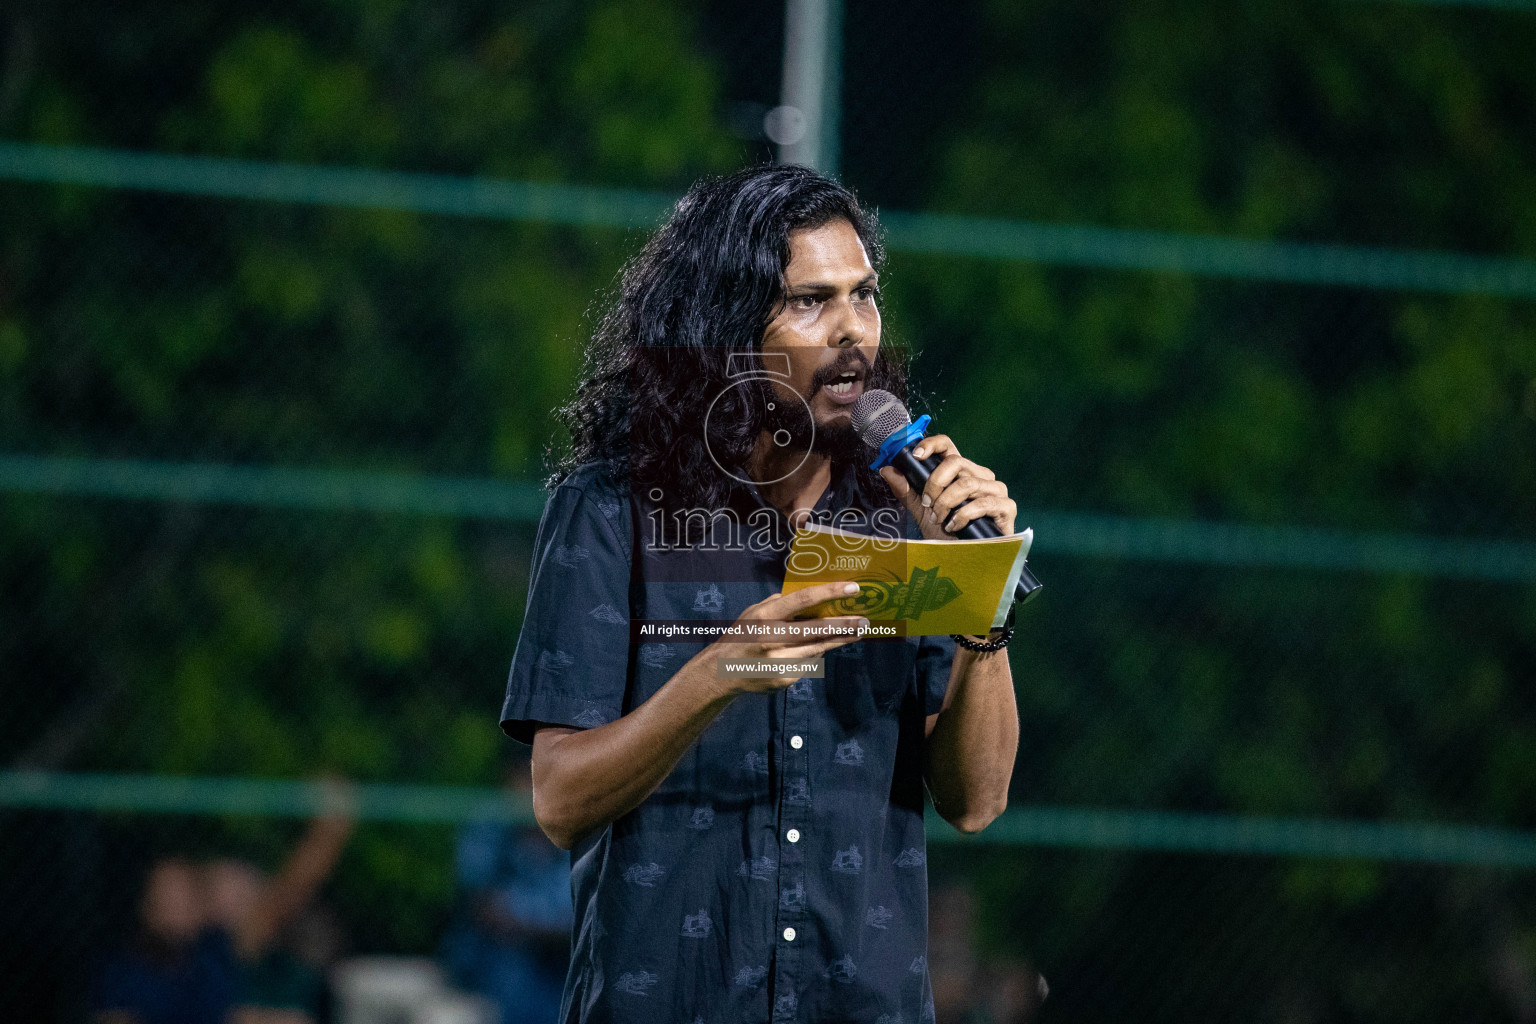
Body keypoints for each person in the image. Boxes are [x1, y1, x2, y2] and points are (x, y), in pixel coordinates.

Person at [499, 164, 1021, 1023]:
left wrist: (982, 611)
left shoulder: (904, 515)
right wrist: (718, 674)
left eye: (865, 294)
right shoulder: (611, 507)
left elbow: (975, 801)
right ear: (728, 331)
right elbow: (560, 802)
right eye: (811, 301)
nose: (853, 330)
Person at [91, 783, 354, 1024]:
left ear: (199, 905)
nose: (172, 903)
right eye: (163, 894)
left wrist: (329, 829)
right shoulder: (123, 971)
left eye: (183, 894)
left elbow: (291, 890)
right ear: (146, 907)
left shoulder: (217, 952)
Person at [440, 752, 573, 1024]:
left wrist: (531, 923)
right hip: (489, 970)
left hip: (556, 975)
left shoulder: (574, 824)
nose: (531, 787)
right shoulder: (489, 823)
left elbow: (578, 918)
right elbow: (484, 909)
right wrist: (549, 925)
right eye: (524, 776)